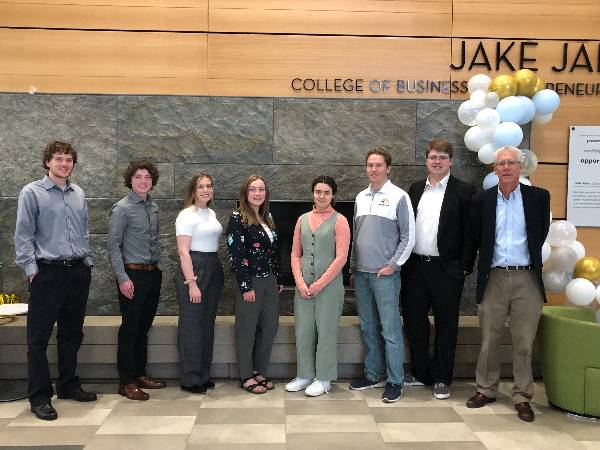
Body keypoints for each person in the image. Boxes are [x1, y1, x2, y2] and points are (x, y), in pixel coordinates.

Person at [466, 146, 550, 423]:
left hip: (526, 278)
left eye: (511, 163)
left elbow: (540, 232)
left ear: (520, 167)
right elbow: (476, 238)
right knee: (490, 339)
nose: (506, 168)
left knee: (523, 342)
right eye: (501, 163)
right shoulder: (482, 201)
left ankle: (522, 396)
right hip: (494, 278)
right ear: (495, 169)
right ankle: (486, 389)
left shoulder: (538, 198)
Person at [15, 140, 96, 421]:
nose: (64, 164)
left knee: (72, 333)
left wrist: (87, 262)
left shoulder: (78, 193)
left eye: (68, 159)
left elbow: (84, 230)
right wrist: (31, 270)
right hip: (46, 273)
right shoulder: (32, 193)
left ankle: (68, 385)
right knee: (38, 339)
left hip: (77, 272)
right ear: (48, 161)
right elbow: (23, 234)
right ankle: (39, 397)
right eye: (59, 159)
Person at [401, 139, 477, 400]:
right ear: (426, 160)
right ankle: (421, 373)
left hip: (447, 270)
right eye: (433, 157)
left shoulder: (464, 191)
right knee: (414, 322)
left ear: (451, 161)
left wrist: (464, 267)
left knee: (447, 325)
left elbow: (471, 233)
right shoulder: (414, 189)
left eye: (442, 157)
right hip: (416, 268)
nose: (437, 161)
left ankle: (442, 377)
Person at [349, 147, 415, 403]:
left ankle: (395, 380)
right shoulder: (360, 197)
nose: (373, 169)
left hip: (384, 275)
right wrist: (354, 268)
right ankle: (373, 374)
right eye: (369, 165)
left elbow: (409, 237)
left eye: (378, 165)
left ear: (388, 168)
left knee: (390, 329)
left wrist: (392, 265)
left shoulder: (399, 197)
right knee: (368, 327)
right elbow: (357, 237)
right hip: (362, 275)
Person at [285, 176, 351, 396]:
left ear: (333, 195)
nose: (321, 196)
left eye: (326, 192)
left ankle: (324, 379)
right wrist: (300, 283)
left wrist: (319, 284)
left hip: (329, 288)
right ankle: (304, 375)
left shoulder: (340, 220)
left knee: (326, 332)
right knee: (303, 331)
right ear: (312, 193)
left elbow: (341, 258)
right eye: (318, 191)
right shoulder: (302, 219)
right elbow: (295, 254)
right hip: (303, 287)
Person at [107, 160, 165, 401]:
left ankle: (140, 373)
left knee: (143, 328)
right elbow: (113, 246)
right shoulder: (121, 209)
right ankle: (127, 381)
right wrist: (123, 278)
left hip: (153, 274)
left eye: (147, 177)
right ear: (130, 180)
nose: (143, 181)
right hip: (132, 276)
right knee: (130, 329)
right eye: (138, 177)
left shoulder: (154, 208)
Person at [226, 174, 283, 394]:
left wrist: (277, 277)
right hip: (249, 281)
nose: (257, 193)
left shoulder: (268, 217)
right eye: (253, 189)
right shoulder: (237, 217)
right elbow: (236, 254)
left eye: (261, 189)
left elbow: (275, 250)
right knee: (247, 329)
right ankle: (246, 375)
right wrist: (245, 286)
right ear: (245, 192)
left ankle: (259, 370)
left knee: (269, 327)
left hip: (269, 280)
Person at [175, 173, 224, 394]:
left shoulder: (210, 213)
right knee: (192, 325)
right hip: (195, 267)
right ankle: (190, 378)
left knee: (207, 323)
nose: (206, 190)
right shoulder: (187, 215)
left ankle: (203, 375)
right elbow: (183, 252)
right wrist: (191, 283)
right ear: (193, 190)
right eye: (201, 186)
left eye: (209, 186)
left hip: (213, 265)